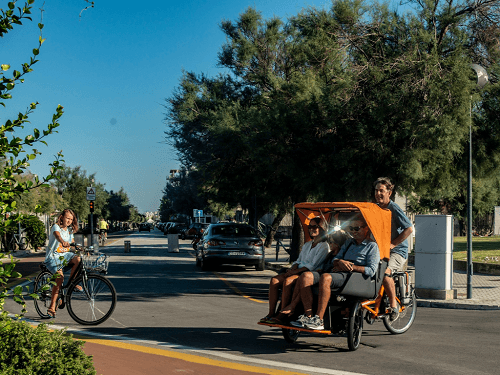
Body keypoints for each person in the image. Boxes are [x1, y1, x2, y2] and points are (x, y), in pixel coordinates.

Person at [292, 214, 380, 330]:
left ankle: (319, 319)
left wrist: (351, 267)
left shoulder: (372, 246)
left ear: (366, 228)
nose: (353, 231)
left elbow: (371, 270)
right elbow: (335, 259)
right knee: (306, 276)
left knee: (326, 278)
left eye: (356, 228)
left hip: (353, 277)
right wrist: (340, 262)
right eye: (351, 228)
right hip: (339, 272)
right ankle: (309, 316)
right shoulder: (349, 243)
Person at [260, 217, 329, 324]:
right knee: (274, 280)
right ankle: (271, 313)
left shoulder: (324, 246)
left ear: (322, 228)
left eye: (315, 226)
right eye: (309, 227)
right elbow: (299, 260)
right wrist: (293, 267)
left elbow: (313, 265)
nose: (311, 229)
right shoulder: (307, 245)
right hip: (297, 270)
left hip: (309, 273)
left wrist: (295, 272)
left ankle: (282, 315)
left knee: (288, 281)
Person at [276, 230, 349, 323]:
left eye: (331, 242)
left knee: (304, 278)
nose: (329, 243)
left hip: (329, 279)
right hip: (320, 275)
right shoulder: (329, 255)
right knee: (302, 279)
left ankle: (293, 306)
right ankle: (300, 311)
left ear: (337, 244)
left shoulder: (340, 256)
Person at [373, 177, 413, 320]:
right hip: (381, 249)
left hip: (397, 251)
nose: (378, 194)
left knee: (385, 274)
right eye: (376, 190)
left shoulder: (393, 208)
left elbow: (409, 229)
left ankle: (393, 306)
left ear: (389, 192)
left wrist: (394, 244)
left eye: (381, 191)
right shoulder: (375, 208)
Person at [43, 209, 81, 318]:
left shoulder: (69, 231)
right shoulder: (56, 227)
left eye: (71, 219)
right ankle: (51, 306)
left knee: (78, 259)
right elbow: (57, 235)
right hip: (53, 257)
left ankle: (72, 283)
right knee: (59, 278)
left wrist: (80, 249)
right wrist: (62, 241)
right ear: (62, 217)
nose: (69, 221)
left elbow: (72, 243)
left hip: (64, 256)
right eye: (67, 218)